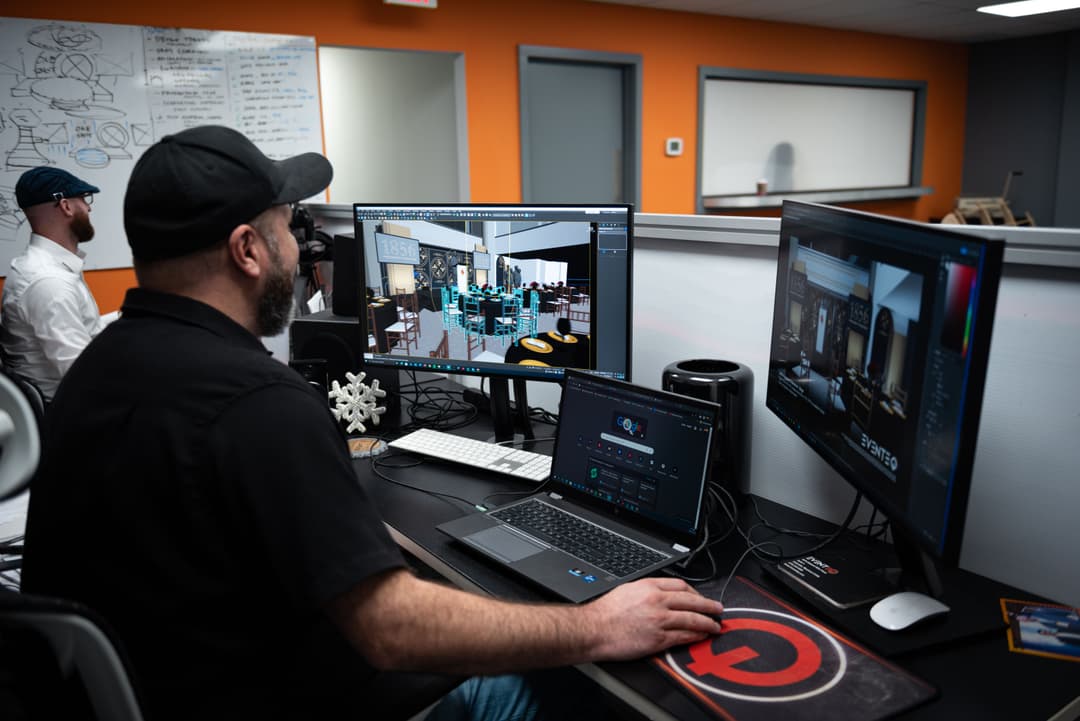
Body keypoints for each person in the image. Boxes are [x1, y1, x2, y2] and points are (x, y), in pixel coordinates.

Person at [20, 125, 723, 721]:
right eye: (289, 228)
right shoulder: (255, 404)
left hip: (169, 686)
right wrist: (598, 623)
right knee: (574, 686)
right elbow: (390, 630)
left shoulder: (96, 371)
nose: (299, 250)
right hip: (291, 699)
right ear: (247, 249)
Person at [0, 166, 106, 401]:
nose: (88, 207)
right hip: (68, 412)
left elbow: (84, 331)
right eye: (84, 199)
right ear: (66, 206)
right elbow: (84, 375)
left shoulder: (46, 268)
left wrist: (124, 320)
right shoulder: (49, 282)